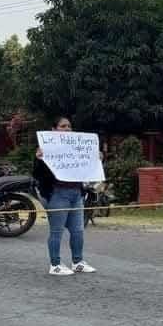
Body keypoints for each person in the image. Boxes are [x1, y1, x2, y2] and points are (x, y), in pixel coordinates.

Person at [34, 116, 97, 276]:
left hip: (76, 193)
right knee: (57, 231)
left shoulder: (77, 146)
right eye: (63, 126)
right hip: (57, 194)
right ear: (54, 129)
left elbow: (86, 166)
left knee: (78, 230)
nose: (67, 129)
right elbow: (37, 174)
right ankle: (55, 264)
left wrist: (95, 158)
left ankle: (78, 262)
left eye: (69, 126)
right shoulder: (45, 147)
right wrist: (39, 159)